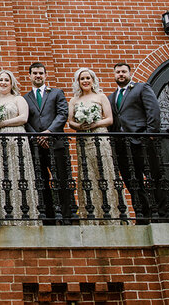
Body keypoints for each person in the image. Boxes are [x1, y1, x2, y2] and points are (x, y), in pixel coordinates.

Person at [108, 61, 167, 223]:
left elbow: (153, 110)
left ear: (129, 73)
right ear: (114, 75)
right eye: (118, 72)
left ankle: (163, 213)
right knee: (133, 182)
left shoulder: (142, 88)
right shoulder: (111, 97)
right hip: (122, 146)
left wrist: (150, 134)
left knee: (154, 177)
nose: (120, 74)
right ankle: (142, 214)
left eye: (123, 72)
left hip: (142, 141)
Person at [67, 67, 121, 224]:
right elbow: (70, 121)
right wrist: (79, 126)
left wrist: (95, 123)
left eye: (87, 78)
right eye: (82, 79)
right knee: (87, 173)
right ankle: (90, 216)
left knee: (104, 171)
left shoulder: (101, 97)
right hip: (84, 139)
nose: (85, 81)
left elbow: (109, 119)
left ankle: (112, 215)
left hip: (100, 137)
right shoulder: (74, 100)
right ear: (78, 82)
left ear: (93, 80)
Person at [22, 62, 74, 224]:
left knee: (62, 178)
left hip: (56, 143)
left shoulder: (57, 93)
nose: (38, 76)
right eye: (35, 73)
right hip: (36, 146)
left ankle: (67, 215)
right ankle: (50, 218)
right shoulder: (25, 98)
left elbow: (62, 114)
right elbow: (26, 121)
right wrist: (37, 136)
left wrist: (48, 133)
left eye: (41, 73)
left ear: (45, 75)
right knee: (41, 180)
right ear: (29, 76)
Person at [0, 70, 40, 226]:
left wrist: (2, 124)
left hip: (15, 138)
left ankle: (24, 215)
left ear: (11, 83)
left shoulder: (19, 99)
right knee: (2, 176)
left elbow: (23, 118)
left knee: (18, 172)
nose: (3, 82)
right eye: (0, 80)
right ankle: (4, 216)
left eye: (6, 80)